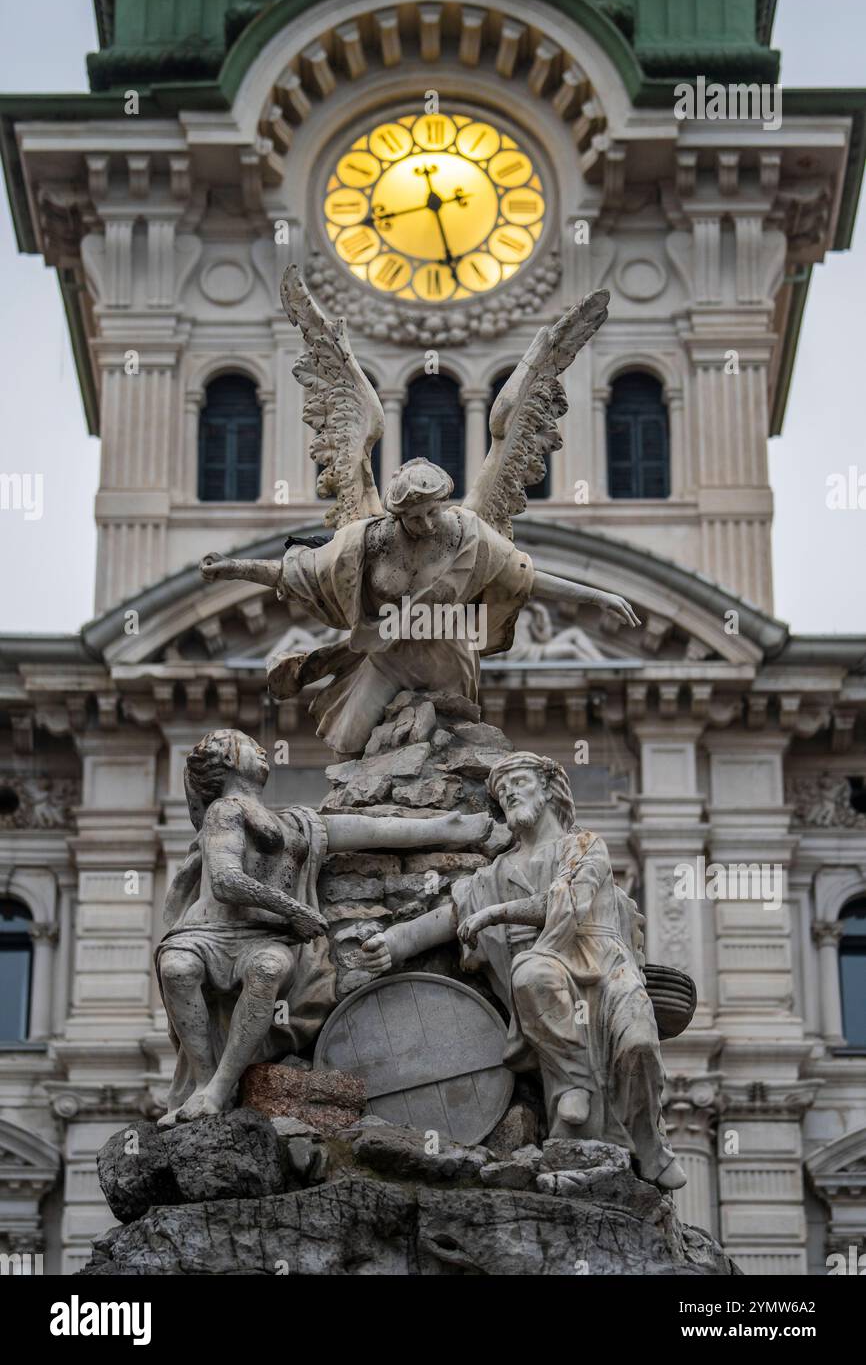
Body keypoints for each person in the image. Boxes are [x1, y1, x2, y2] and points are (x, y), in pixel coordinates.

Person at [360, 750, 686, 1190]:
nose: (509, 791)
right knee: (530, 971)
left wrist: (496, 914)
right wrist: (395, 943)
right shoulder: (494, 874)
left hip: (606, 968)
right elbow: (452, 918)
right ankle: (573, 1086)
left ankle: (649, 1144)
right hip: (547, 981)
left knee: (641, 1045)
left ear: (549, 788)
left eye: (519, 780)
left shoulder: (585, 846)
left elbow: (564, 902)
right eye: (501, 789)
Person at [156, 727, 491, 1125]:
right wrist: (294, 910)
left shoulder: (298, 822)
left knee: (269, 969)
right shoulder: (224, 811)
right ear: (228, 762)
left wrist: (445, 829)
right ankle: (203, 1081)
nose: (262, 750)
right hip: (208, 934)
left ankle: (219, 1086)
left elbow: (369, 831)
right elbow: (227, 881)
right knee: (177, 967)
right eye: (248, 746)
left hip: (264, 938)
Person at [200, 458, 639, 754]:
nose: (427, 524)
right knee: (349, 742)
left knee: (446, 747)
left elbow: (527, 579)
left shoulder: (468, 536)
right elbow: (294, 573)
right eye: (415, 518)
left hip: (446, 657)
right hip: (389, 655)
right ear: (396, 516)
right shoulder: (365, 544)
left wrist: (600, 596)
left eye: (434, 511)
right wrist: (233, 568)